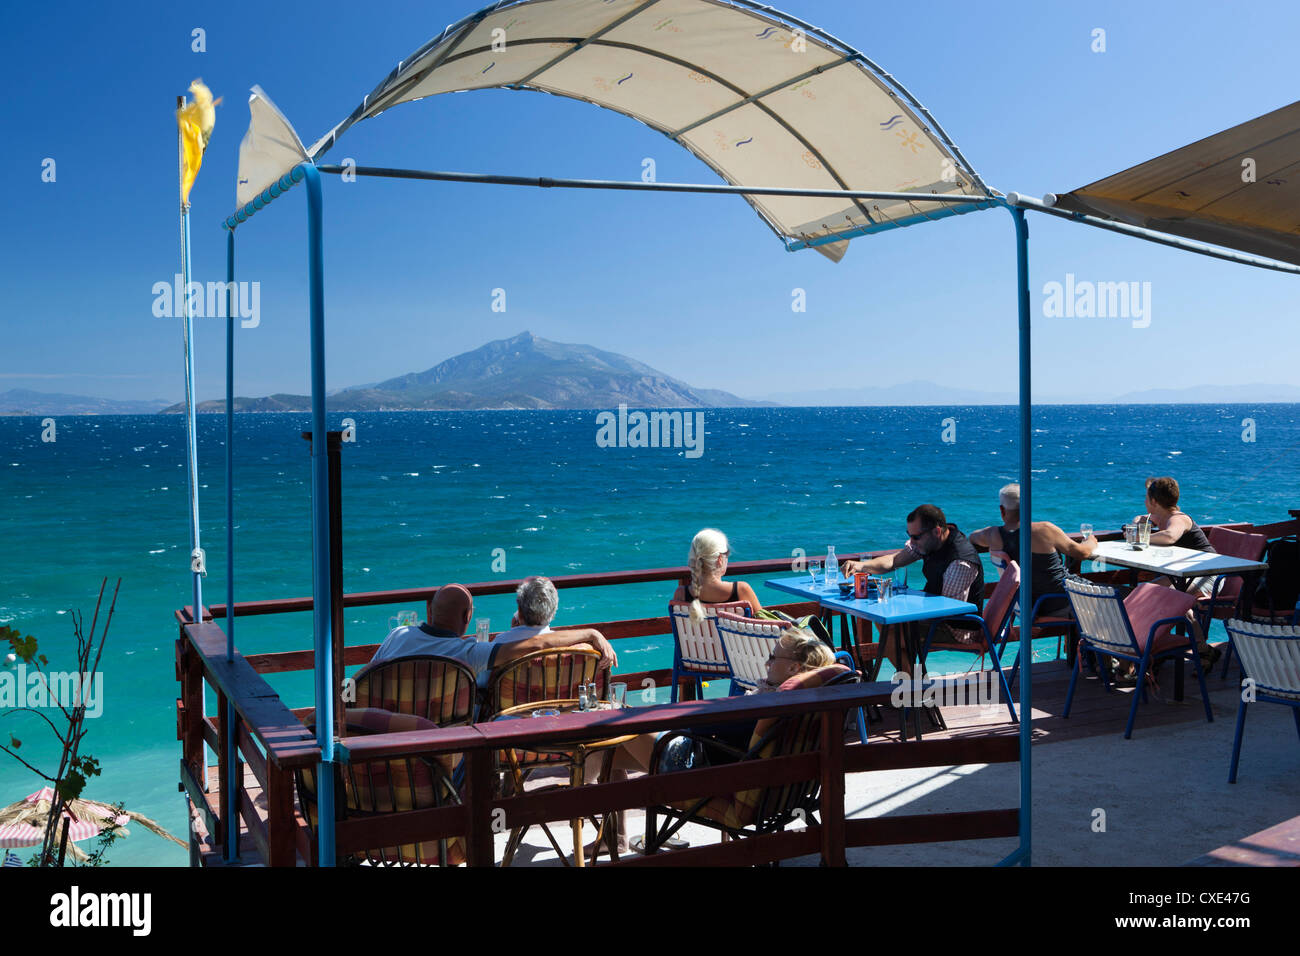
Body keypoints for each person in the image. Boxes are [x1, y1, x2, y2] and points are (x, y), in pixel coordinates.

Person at [588, 627, 846, 855]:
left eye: (772, 657)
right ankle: (613, 833)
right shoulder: (799, 704)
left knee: (621, 723)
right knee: (609, 747)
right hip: (766, 787)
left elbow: (704, 726)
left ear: (793, 668)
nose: (766, 663)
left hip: (698, 772)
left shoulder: (768, 706)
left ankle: (575, 792)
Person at [367, 579, 616, 676]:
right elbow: (537, 643)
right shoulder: (468, 652)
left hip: (387, 744)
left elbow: (366, 676)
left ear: (430, 611)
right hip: (440, 746)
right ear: (468, 616)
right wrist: (591, 633)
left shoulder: (397, 635)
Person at [838, 504, 984, 667]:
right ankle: (912, 678)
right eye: (909, 535)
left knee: (890, 637)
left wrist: (901, 605)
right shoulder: (930, 542)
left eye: (916, 536)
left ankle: (914, 686)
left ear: (936, 531)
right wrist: (861, 566)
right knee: (883, 620)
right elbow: (894, 561)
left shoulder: (960, 562)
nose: (911, 541)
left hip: (959, 630)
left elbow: (946, 611)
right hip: (938, 615)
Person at [967, 483, 1097, 615]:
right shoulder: (1045, 530)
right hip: (1066, 600)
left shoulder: (992, 535)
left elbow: (972, 537)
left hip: (1027, 607)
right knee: (1117, 595)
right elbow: (1083, 553)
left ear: (1002, 510)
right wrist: (1090, 541)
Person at [673, 528, 763, 621]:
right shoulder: (741, 590)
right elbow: (766, 627)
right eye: (727, 554)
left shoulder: (681, 594)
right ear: (720, 559)